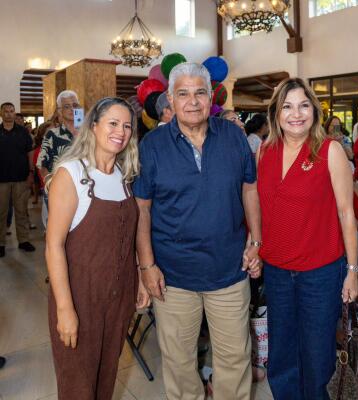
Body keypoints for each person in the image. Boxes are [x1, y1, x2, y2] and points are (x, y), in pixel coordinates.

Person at [133, 62, 261, 400]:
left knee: (234, 359)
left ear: (211, 97)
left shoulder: (233, 136)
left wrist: (256, 240)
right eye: (183, 94)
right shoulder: (152, 145)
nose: (192, 101)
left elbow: (250, 189)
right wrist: (147, 266)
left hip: (229, 270)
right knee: (179, 363)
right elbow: (141, 209)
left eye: (200, 93)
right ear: (170, 100)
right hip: (173, 276)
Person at [257, 78, 358, 399]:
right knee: (282, 355)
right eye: (287, 107)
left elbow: (347, 213)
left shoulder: (330, 151)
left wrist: (352, 271)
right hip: (277, 272)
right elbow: (262, 207)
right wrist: (255, 244)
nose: (296, 114)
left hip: (320, 273)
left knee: (317, 356)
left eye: (303, 105)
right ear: (276, 113)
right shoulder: (265, 151)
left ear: (314, 111)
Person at [46, 97, 150, 400]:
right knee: (78, 387)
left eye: (127, 126)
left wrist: (138, 278)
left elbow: (127, 237)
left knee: (106, 379)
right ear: (93, 126)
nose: (121, 132)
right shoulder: (71, 174)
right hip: (80, 298)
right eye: (113, 123)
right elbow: (53, 246)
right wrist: (65, 310)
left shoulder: (123, 176)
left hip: (117, 300)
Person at [0, 102, 35, 257]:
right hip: (1, 180)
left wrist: (31, 172)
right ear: (1, 114)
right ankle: (1, 243)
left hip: (21, 178)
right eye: (6, 111)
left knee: (21, 211)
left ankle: (24, 241)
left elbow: (30, 153)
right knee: (1, 212)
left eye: (11, 111)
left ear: (14, 113)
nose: (9, 113)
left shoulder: (23, 132)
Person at [37, 90, 80, 180]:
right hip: (60, 183)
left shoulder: (89, 133)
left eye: (75, 105)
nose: (72, 109)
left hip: (86, 185)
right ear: (60, 111)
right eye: (67, 106)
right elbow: (42, 165)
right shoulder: (52, 135)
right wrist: (50, 184)